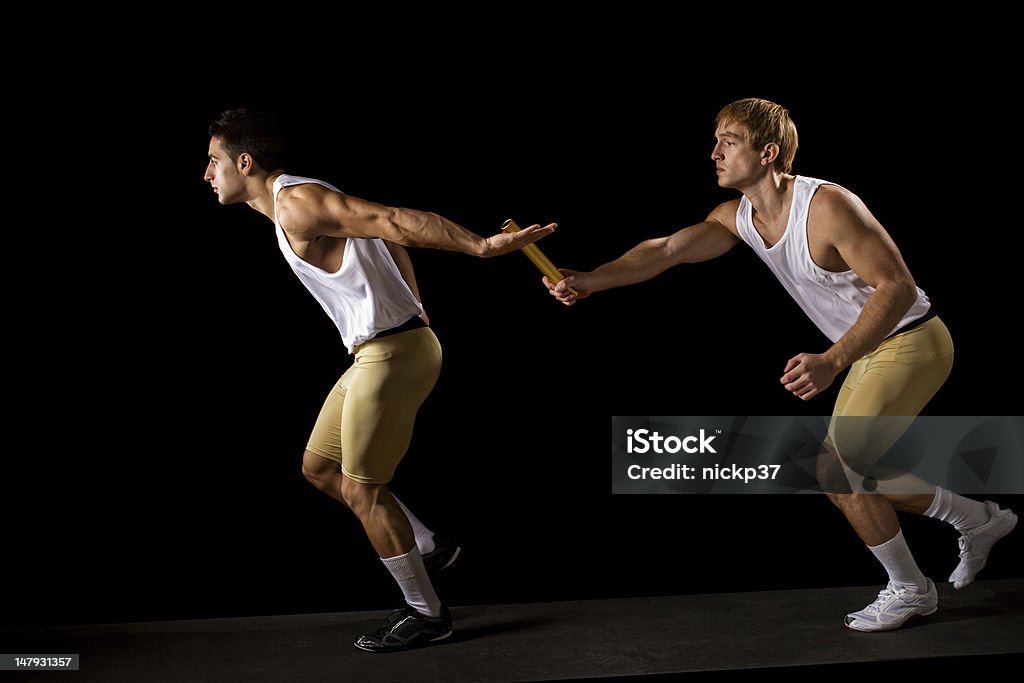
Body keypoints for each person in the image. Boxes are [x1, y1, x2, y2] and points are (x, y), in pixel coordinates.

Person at [544, 98, 1017, 632]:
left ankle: (913, 587)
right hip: (868, 350)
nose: (714, 152)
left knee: (840, 470)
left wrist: (833, 360)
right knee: (844, 472)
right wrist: (592, 279)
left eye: (729, 141)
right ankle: (974, 521)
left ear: (767, 152)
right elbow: (667, 249)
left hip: (911, 340)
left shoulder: (828, 206)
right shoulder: (737, 217)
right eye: (716, 139)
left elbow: (898, 286)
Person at [204, 108, 555, 651]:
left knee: (361, 490)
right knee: (320, 468)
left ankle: (428, 613)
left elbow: (393, 220)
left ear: (243, 162)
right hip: (380, 351)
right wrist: (416, 304)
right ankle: (426, 544)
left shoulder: (297, 201)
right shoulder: (282, 204)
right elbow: (381, 239)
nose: (207, 174)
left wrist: (480, 248)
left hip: (392, 355)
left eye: (213, 161)